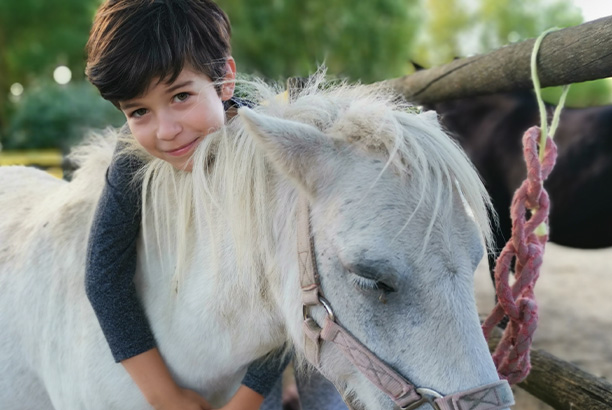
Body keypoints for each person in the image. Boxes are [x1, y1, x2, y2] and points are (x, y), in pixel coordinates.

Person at [84, 1, 288, 409]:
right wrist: (165, 395)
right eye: (138, 111)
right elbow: (104, 277)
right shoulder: (131, 158)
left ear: (225, 80)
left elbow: (296, 287)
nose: (167, 131)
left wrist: (247, 400)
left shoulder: (266, 150)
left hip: (265, 349)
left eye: (180, 96)